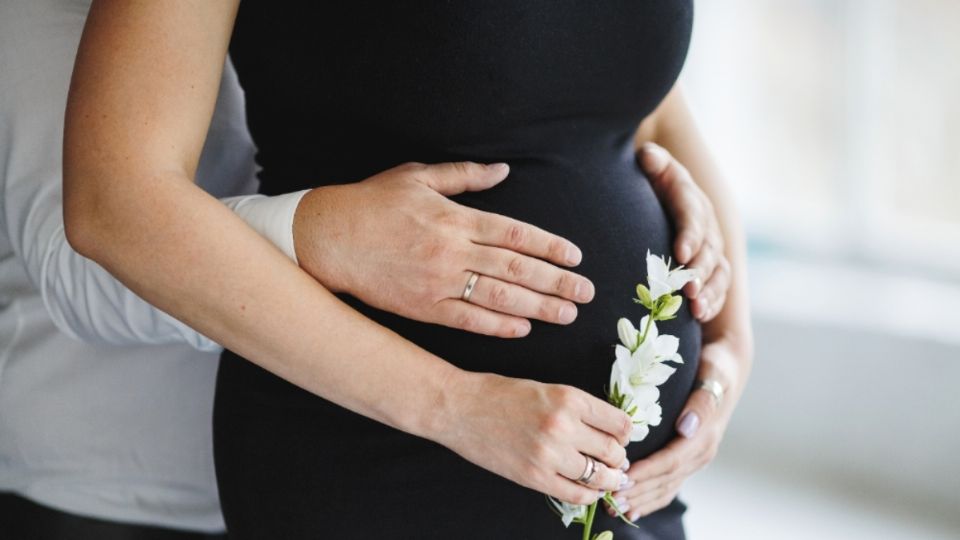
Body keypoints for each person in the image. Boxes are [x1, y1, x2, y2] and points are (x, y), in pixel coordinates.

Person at [62, 1, 753, 538]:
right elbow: (114, 197)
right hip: (381, 460)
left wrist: (732, 345)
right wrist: (459, 407)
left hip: (626, 486)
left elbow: (648, 110)